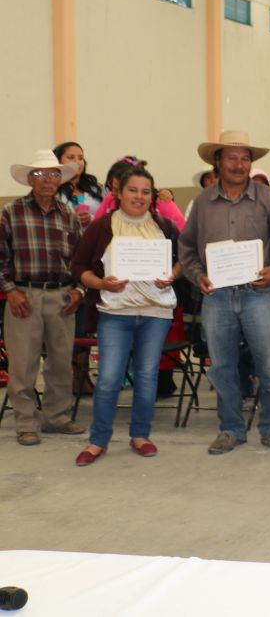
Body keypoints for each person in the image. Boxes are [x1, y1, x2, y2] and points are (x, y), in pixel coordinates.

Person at [178, 131, 270, 454]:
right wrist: (197, 276)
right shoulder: (202, 202)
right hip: (216, 298)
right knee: (222, 367)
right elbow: (186, 248)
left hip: (260, 295)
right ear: (217, 162)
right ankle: (230, 429)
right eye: (231, 157)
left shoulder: (268, 198)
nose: (239, 164)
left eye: (245, 158)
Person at [69, 165, 180, 465]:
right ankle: (98, 440)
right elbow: (79, 267)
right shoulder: (102, 227)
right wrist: (101, 283)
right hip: (115, 315)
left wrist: (171, 275)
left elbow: (183, 261)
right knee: (107, 379)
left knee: (146, 377)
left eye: (146, 192)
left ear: (152, 196)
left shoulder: (164, 226)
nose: (139, 197)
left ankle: (140, 435)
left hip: (156, 314)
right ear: (118, 193)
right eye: (133, 190)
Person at [1, 150, 86, 446]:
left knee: (61, 362)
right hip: (24, 296)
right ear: (29, 179)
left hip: (62, 296)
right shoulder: (11, 213)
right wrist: (10, 291)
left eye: (52, 174)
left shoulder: (70, 216)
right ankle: (25, 422)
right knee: (23, 364)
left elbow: (80, 260)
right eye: (39, 174)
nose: (47, 180)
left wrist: (79, 289)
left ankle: (57, 418)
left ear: (59, 179)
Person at [53, 141, 103, 227]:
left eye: (80, 158)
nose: (77, 162)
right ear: (58, 161)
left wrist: (91, 219)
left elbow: (108, 216)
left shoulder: (96, 188)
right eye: (70, 157)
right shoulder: (52, 189)